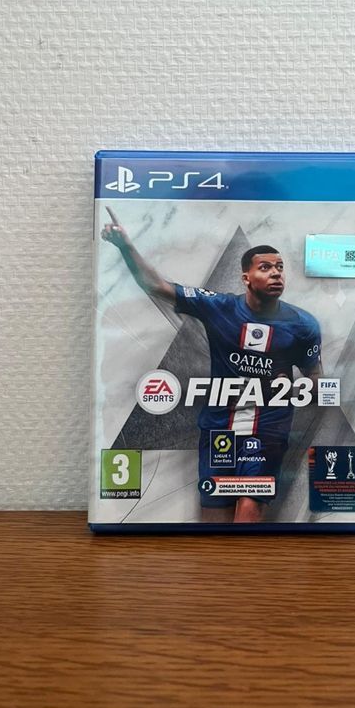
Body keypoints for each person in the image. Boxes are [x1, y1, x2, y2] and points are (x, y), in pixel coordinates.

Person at [102, 207, 322, 523]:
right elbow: (156, 285)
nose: (276, 273)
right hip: (219, 430)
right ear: (246, 278)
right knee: (214, 523)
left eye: (280, 267)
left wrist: (298, 389)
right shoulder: (218, 306)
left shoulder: (303, 324)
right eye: (265, 267)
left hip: (267, 431)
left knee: (249, 510)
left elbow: (315, 376)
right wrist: (125, 246)